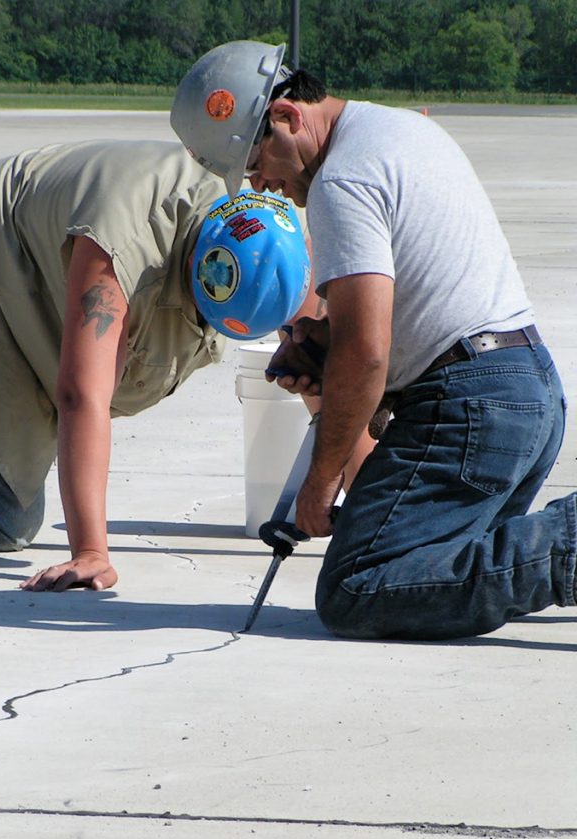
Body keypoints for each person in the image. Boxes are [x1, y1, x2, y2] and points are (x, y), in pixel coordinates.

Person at [171, 41, 575, 640]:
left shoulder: (342, 180)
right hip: (528, 392)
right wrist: (324, 341)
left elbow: (367, 353)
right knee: (437, 573)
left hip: (473, 406)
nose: (263, 184)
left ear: (286, 117)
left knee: (359, 588)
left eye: (257, 165)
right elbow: (407, 314)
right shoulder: (398, 130)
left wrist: (319, 481)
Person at [0, 140, 317, 592]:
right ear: (195, 262)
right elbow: (81, 395)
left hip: (31, 284)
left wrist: (347, 493)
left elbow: (327, 365)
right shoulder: (122, 245)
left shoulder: (278, 243)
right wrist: (91, 553)